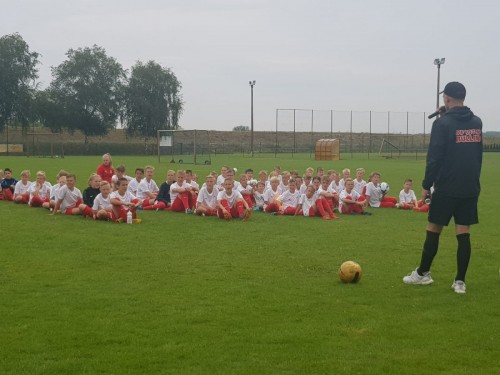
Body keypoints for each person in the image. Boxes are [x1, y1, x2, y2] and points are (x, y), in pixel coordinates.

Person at [403, 81, 483, 294]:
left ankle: (422, 274)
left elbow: (434, 158)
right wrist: (445, 116)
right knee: (463, 232)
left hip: (446, 186)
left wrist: (426, 185)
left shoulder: (442, 124)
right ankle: (460, 282)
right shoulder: (477, 122)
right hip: (470, 186)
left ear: (447, 98)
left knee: (433, 229)